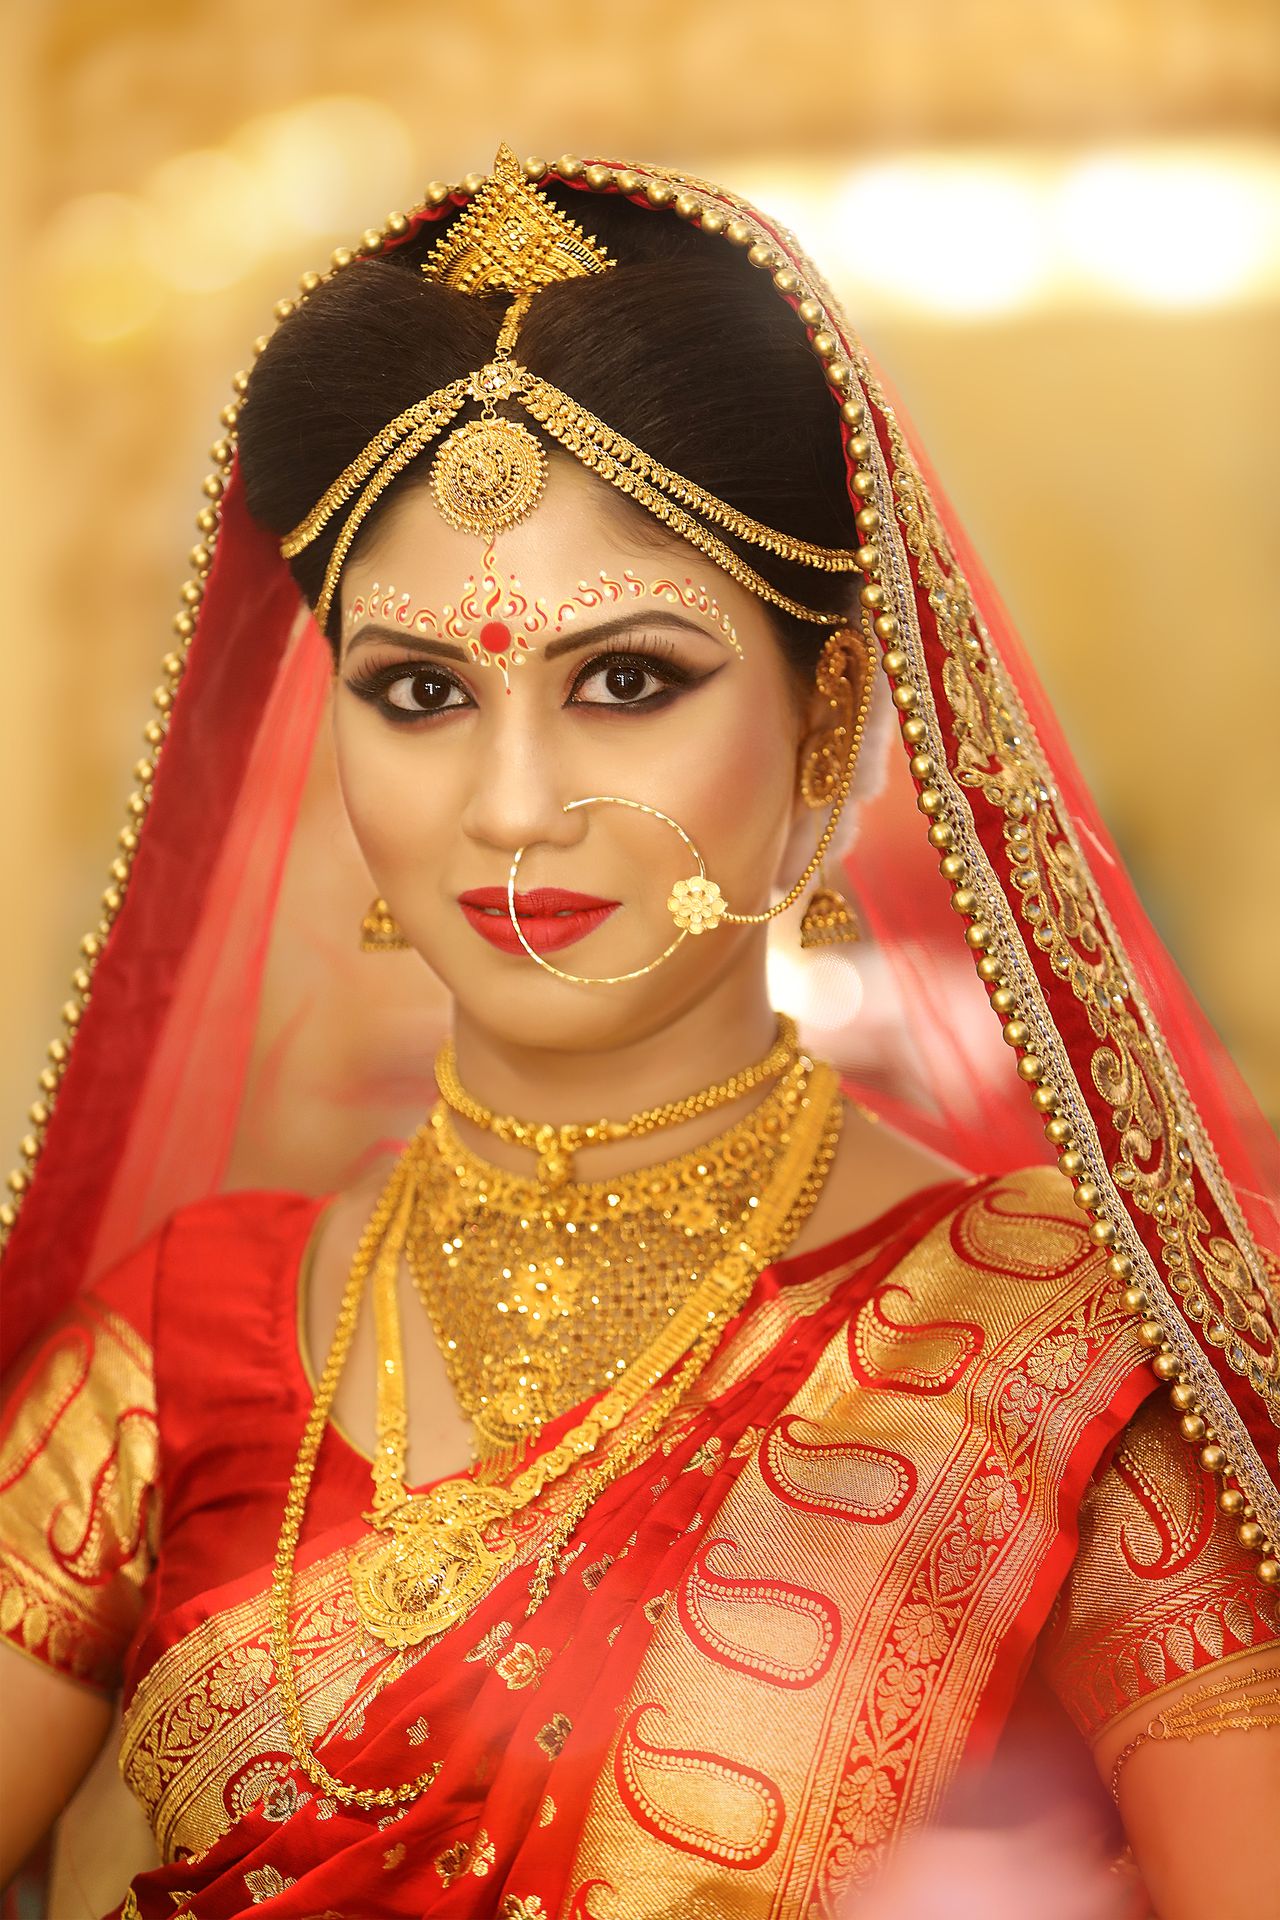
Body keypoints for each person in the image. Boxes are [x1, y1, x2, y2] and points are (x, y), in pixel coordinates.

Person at [1, 144, 1277, 1920]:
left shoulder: (1055, 1350)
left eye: (625, 681)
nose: (513, 805)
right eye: (421, 693)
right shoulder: (169, 1344)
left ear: (830, 723)